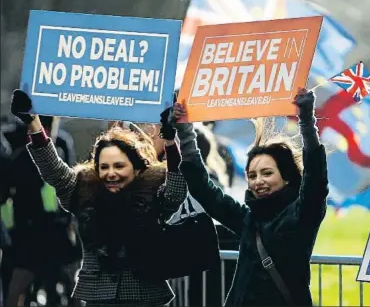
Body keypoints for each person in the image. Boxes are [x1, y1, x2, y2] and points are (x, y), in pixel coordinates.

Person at [10, 89, 188, 307]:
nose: (111, 173)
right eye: (104, 167)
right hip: (99, 296)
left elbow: (176, 188)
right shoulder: (86, 193)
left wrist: (170, 140)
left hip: (145, 296)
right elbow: (55, 171)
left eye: (119, 166)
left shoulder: (152, 192)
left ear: (136, 168)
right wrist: (34, 124)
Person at [172, 88, 329, 306]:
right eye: (252, 175)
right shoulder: (249, 220)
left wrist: (306, 121)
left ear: (287, 178)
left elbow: (316, 182)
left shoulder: (301, 216)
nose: (258, 181)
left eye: (267, 173)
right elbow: (204, 190)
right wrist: (185, 131)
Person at [0, 115, 82, 307]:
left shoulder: (61, 145)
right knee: (19, 283)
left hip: (56, 229)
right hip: (29, 232)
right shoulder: (19, 156)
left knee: (73, 283)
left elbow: (71, 185)